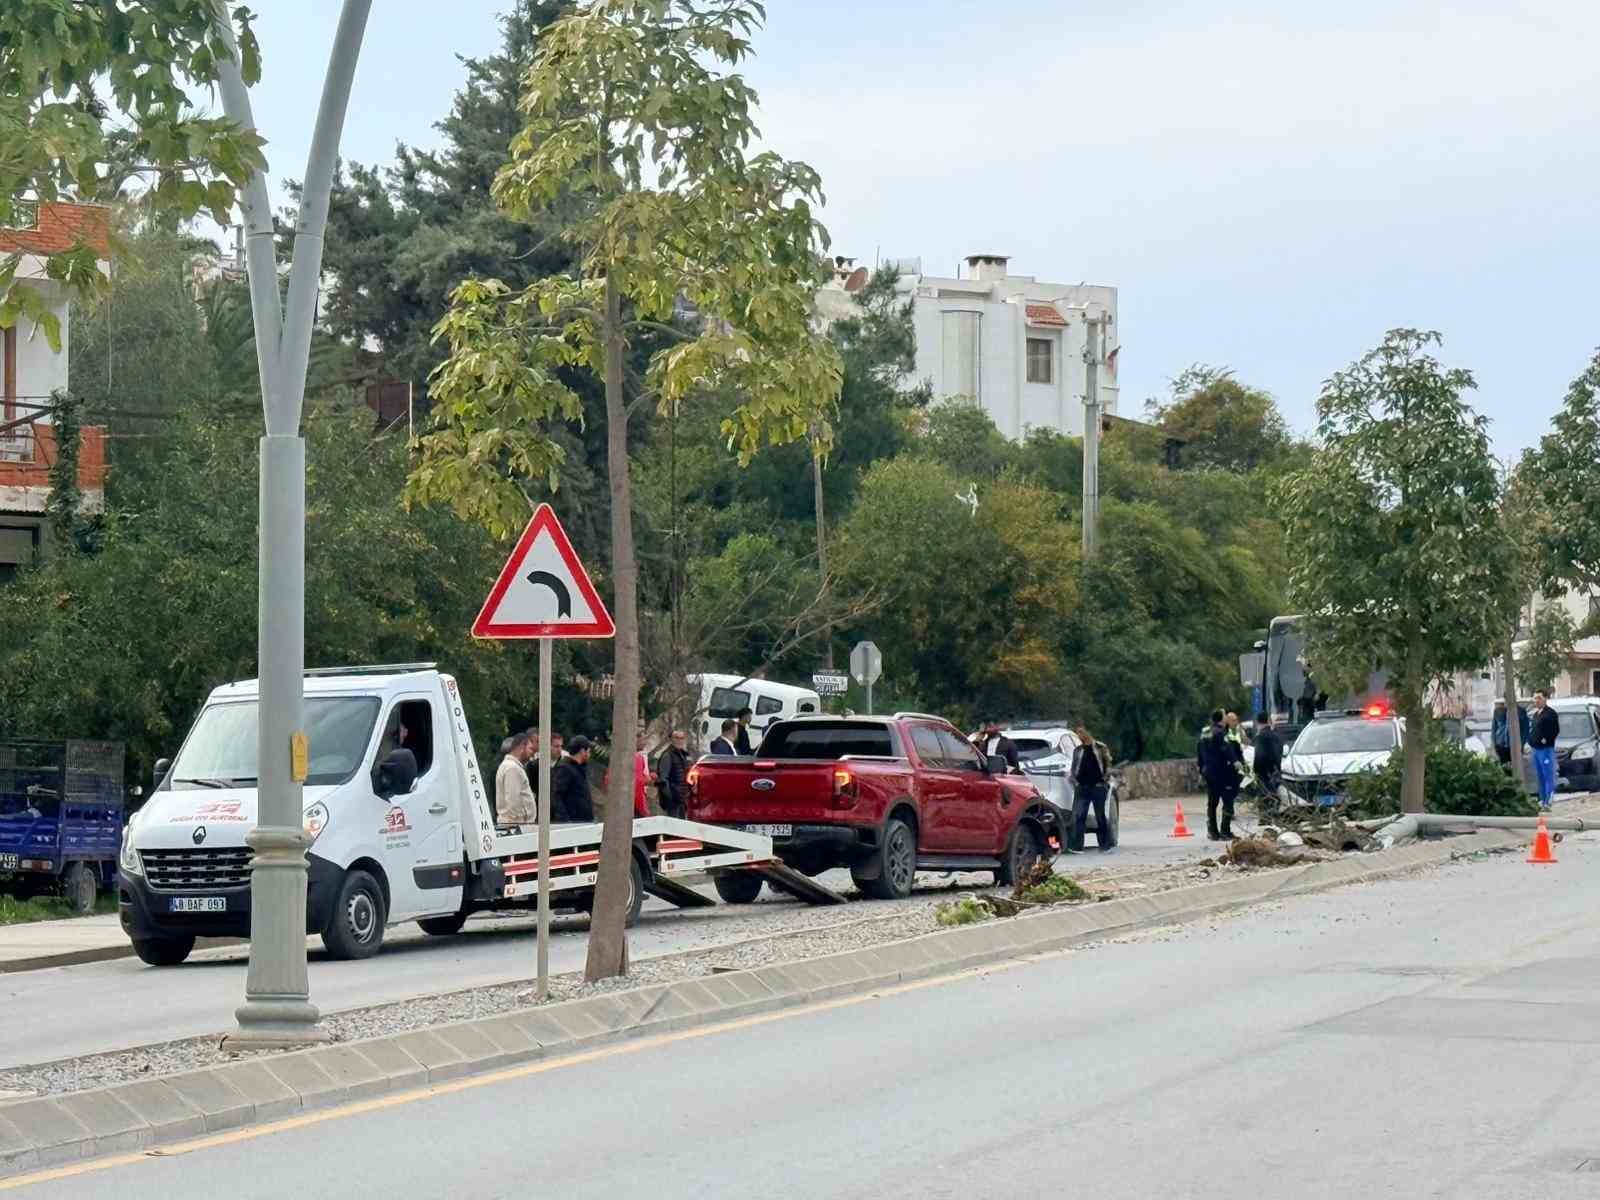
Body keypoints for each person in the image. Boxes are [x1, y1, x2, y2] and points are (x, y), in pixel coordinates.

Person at [1068, 724, 1113, 852]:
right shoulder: (1077, 750)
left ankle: (1105, 845)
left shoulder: (1100, 747)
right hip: (1082, 787)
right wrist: (1074, 780)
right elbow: (1074, 767)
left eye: (1081, 732)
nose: (1079, 735)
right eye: (1078, 733)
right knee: (1079, 816)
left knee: (1100, 816)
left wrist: (1104, 780)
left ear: (1088, 732)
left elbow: (1108, 764)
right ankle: (1077, 846)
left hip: (1098, 787)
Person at [495, 731, 536, 826]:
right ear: (522, 747)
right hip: (516, 826)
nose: (532, 753)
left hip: (515, 826)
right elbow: (513, 801)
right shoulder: (512, 768)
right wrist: (520, 825)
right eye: (530, 749)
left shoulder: (510, 766)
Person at [551, 735, 594, 823]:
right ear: (582, 751)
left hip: (583, 822)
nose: (589, 755)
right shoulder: (564, 769)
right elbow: (557, 795)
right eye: (589, 751)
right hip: (572, 824)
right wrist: (564, 820)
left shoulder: (580, 769)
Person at [1529, 691, 1560, 810]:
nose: (1536, 700)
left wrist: (1546, 740)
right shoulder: (1536, 714)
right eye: (1535, 698)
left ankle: (1548, 800)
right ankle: (1542, 800)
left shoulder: (1550, 713)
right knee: (1540, 775)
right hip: (1535, 749)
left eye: (1539, 698)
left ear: (1545, 699)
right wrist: (1531, 741)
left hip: (1546, 750)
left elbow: (1555, 730)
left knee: (1548, 775)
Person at [657, 730, 691, 818]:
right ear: (671, 739)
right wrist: (670, 797)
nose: (679, 740)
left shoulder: (683, 755)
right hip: (673, 800)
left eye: (681, 738)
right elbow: (663, 779)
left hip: (682, 799)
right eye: (676, 738)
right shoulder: (667, 755)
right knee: (672, 826)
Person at [1491, 699, 1532, 770]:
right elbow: (1494, 729)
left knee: (1516, 770)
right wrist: (1494, 744)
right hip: (1501, 746)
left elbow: (1526, 729)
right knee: (1504, 770)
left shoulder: (1521, 711)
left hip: (1515, 746)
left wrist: (1521, 743)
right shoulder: (1498, 711)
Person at [1252, 711, 1283, 797]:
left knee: (1265, 802)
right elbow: (1280, 752)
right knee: (1275, 799)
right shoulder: (1276, 736)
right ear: (1268, 720)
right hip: (1276, 773)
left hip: (1264, 776)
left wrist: (1255, 771)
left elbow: (1259, 757)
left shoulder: (1260, 737)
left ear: (1257, 721)